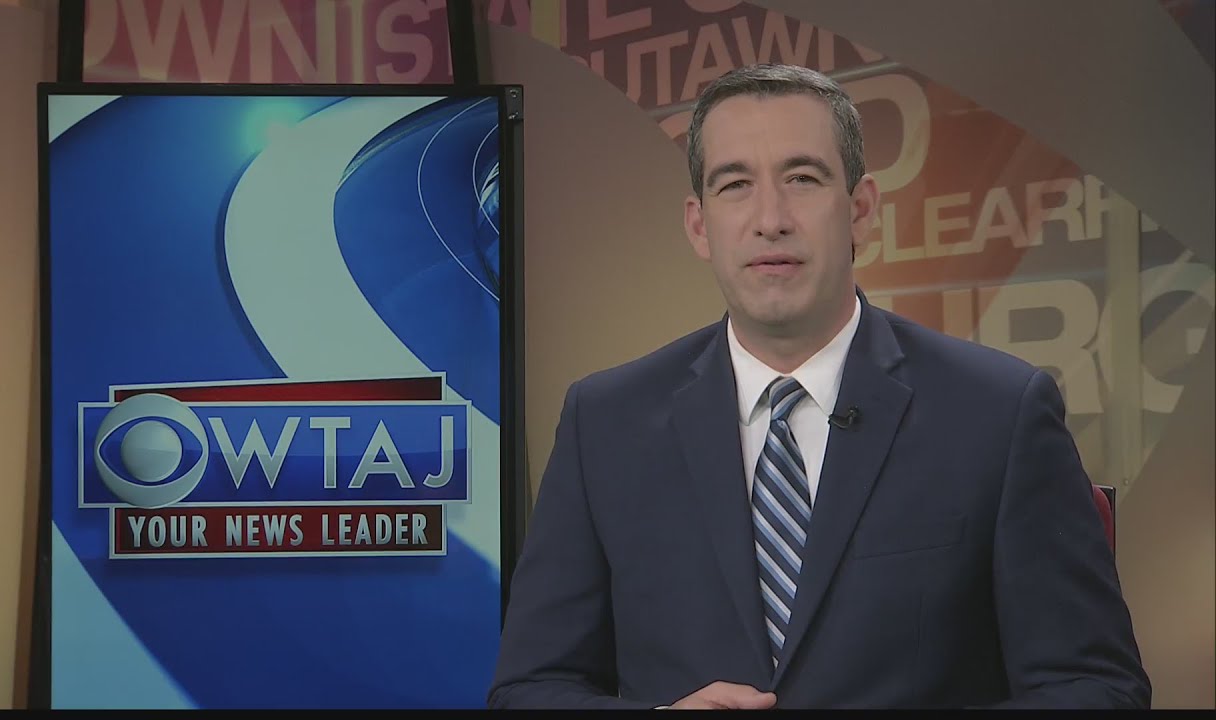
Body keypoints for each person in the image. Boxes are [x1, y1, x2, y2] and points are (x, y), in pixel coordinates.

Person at [487, 63, 1150, 709]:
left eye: (802, 178)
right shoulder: (603, 423)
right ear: (699, 224)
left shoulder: (999, 413)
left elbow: (1096, 688)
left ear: (861, 210)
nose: (770, 217)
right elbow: (529, 688)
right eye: (735, 184)